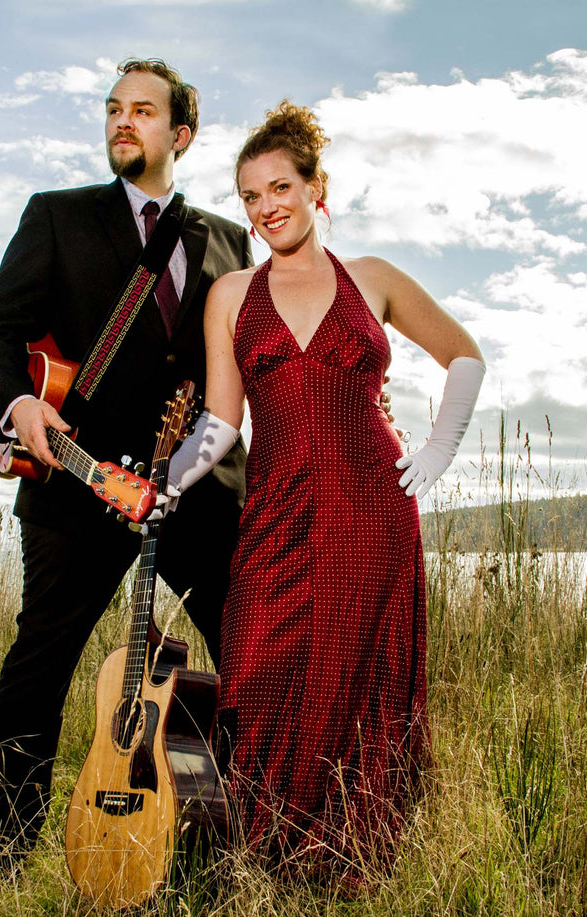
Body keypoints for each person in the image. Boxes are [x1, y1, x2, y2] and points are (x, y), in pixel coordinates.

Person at [166, 100, 486, 883]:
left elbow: (465, 357)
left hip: (372, 508)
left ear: (317, 188)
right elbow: (219, 420)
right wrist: (165, 483)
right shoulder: (232, 295)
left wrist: (439, 448)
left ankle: (352, 857)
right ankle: (267, 855)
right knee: (258, 669)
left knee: (361, 677)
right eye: (250, 196)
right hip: (274, 513)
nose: (267, 206)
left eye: (280, 187)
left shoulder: (371, 279)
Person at [0, 58, 251, 871]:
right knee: (39, 663)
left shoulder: (231, 242)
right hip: (80, 482)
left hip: (199, 490)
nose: (124, 122)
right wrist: (18, 406)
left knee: (250, 655)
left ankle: (246, 832)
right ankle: (4, 848)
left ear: (180, 134)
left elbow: (261, 358)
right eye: (114, 110)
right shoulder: (54, 217)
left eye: (144, 112)